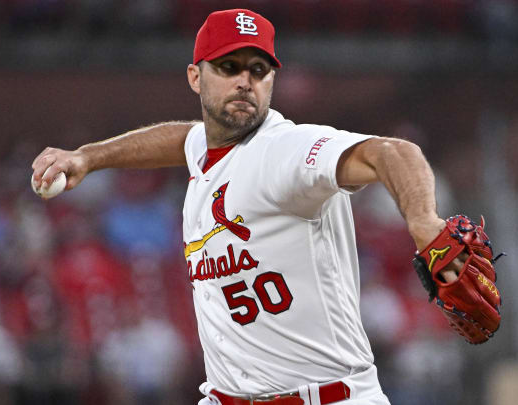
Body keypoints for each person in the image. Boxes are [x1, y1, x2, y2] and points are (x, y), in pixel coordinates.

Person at [31, 8, 463, 405]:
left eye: (259, 70)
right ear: (195, 77)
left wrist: (425, 223)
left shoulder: (285, 151)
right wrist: (88, 157)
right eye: (228, 67)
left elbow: (394, 153)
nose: (245, 81)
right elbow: (181, 138)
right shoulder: (205, 148)